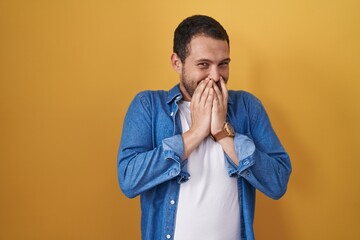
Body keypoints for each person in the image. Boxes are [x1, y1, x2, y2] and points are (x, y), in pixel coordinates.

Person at [117, 15, 291, 240]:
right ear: (177, 63)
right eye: (203, 65)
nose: (215, 76)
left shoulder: (248, 107)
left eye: (223, 64)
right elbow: (129, 180)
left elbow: (277, 183)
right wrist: (196, 133)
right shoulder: (148, 106)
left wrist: (223, 134)